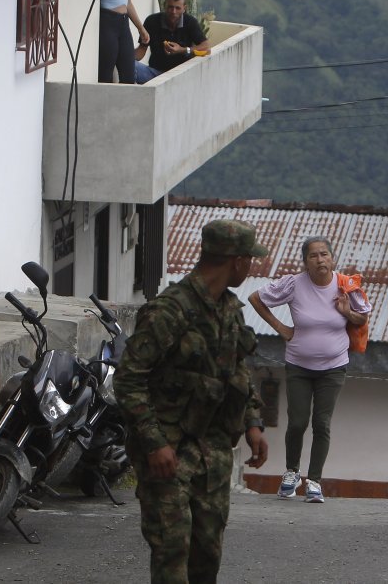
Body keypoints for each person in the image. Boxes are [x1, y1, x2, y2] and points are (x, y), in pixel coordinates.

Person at [114, 219, 270, 583]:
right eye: (249, 259)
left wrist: (252, 422)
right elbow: (128, 379)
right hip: (168, 453)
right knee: (172, 552)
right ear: (236, 261)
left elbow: (238, 371)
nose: (251, 268)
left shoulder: (229, 309)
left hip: (212, 450)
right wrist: (154, 444)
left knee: (206, 555)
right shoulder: (169, 310)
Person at [248, 237, 371, 504]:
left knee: (321, 424)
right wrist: (280, 328)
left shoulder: (345, 285)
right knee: (297, 422)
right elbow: (256, 298)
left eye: (324, 254)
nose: (320, 260)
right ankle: (291, 473)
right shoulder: (294, 284)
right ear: (305, 262)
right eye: (313, 256)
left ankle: (314, 482)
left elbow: (363, 317)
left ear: (332, 258)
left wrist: (347, 312)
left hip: (334, 367)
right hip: (299, 366)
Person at [134, 0, 210, 84]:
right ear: (165, 5)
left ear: (184, 8)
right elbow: (142, 49)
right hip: (155, 75)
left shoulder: (190, 22)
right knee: (130, 65)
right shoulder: (152, 21)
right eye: (170, 7)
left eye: (177, 8)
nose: (173, 12)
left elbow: (206, 48)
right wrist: (125, 57)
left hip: (181, 76)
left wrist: (182, 50)